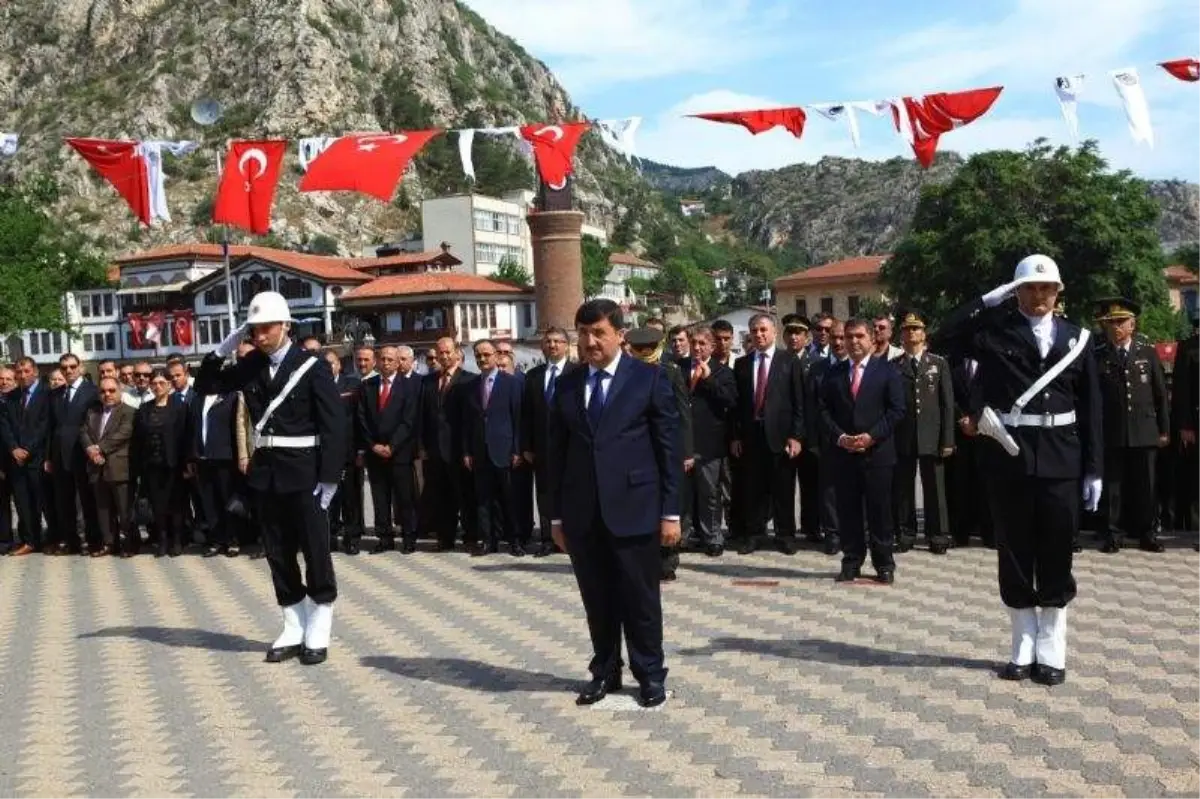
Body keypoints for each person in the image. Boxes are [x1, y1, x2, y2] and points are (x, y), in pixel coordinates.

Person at [935, 254, 1102, 687]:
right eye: (1029, 288)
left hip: (1061, 458)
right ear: (1017, 292)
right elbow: (944, 335)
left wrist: (1095, 469)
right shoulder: (995, 332)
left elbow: (1093, 409)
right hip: (1009, 457)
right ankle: (1022, 642)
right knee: (1013, 550)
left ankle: (1052, 646)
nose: (1038, 296)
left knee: (1056, 551)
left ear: (1058, 292)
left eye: (1046, 288)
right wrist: (990, 299)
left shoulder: (1079, 338)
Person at [195, 291, 346, 666]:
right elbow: (206, 386)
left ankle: (320, 622)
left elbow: (334, 425)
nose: (259, 336)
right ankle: (293, 623)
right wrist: (222, 348)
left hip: (306, 471)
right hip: (267, 473)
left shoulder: (312, 366)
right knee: (277, 552)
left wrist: (330, 477)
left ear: (285, 326)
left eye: (265, 329)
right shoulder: (251, 366)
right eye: (254, 330)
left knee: (314, 549)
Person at [547, 299, 681, 709]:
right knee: (598, 601)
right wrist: (555, 516)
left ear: (620, 335)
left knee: (640, 600)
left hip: (635, 508)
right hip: (583, 514)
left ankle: (650, 675)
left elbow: (668, 450)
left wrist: (670, 513)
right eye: (583, 334)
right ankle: (604, 670)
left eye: (598, 333)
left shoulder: (648, 379)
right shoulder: (567, 385)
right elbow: (556, 453)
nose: (590, 342)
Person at [818, 318, 905, 584]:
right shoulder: (833, 373)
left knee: (880, 513)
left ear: (871, 338)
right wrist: (840, 437)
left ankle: (884, 563)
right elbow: (822, 410)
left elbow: (897, 410)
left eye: (859, 336)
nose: (853, 342)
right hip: (844, 454)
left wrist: (872, 436)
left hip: (877, 454)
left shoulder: (888, 371)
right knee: (848, 511)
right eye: (848, 337)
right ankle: (851, 561)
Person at [1092, 298, 1169, 553]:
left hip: (1145, 430)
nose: (1115, 327)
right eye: (1111, 323)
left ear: (1132, 324)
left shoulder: (1146, 353)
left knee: (1147, 486)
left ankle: (1148, 533)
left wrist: (1164, 429)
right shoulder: (1099, 355)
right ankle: (1113, 534)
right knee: (1113, 487)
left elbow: (1160, 394)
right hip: (1113, 432)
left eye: (1121, 322)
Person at [729, 314, 804, 555]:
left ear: (773, 332)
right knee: (753, 488)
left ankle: (785, 535)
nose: (759, 334)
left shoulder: (789, 360)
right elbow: (736, 406)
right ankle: (754, 533)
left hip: (780, 436)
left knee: (783, 488)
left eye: (763, 330)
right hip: (751, 436)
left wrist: (796, 436)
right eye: (754, 330)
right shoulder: (741, 364)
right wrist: (736, 436)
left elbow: (798, 402)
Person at [624, 326, 693, 582]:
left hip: (667, 449)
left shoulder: (669, 371)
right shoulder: (627, 374)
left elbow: (683, 414)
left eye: (649, 349)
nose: (645, 353)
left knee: (669, 503)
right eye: (639, 349)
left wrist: (686, 451)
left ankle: (668, 561)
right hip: (639, 452)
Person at [891, 311, 955, 554]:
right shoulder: (894, 365)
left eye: (916, 329)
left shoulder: (938, 364)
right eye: (907, 329)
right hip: (903, 436)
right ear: (901, 335)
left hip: (932, 436)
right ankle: (905, 533)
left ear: (924, 334)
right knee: (904, 488)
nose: (912, 333)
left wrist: (948, 439)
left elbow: (947, 404)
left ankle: (938, 535)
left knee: (935, 489)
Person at [463, 339, 524, 556]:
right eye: (478, 355)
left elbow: (518, 418)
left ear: (497, 356)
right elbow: (467, 423)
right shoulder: (471, 387)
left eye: (486, 355)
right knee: (483, 500)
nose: (482, 359)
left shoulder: (511, 383)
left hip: (504, 449)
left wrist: (517, 449)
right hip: (480, 451)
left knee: (509, 498)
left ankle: (515, 541)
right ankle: (489, 541)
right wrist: (467, 451)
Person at [520, 327, 576, 557]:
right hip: (541, 447)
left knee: (569, 492)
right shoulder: (533, 376)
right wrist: (526, 446)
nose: (552, 345)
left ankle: (569, 538)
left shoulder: (577, 373)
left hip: (570, 447)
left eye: (557, 341)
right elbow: (526, 414)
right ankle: (546, 539)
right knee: (544, 494)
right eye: (548, 341)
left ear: (566, 345)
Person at [681, 325, 737, 556]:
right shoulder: (679, 368)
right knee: (684, 493)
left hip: (709, 443)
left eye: (702, 344)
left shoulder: (722, 372)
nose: (696, 348)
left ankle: (712, 536)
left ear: (712, 347)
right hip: (683, 442)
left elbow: (730, 401)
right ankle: (682, 535)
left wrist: (709, 380)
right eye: (693, 343)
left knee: (709, 493)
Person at [135, 370, 191, 556]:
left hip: (173, 465)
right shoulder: (144, 409)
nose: (157, 386)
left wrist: (187, 463)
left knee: (176, 504)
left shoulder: (179, 407)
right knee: (157, 505)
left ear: (168, 385)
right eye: (154, 383)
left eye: (161, 383)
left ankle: (177, 540)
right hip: (152, 465)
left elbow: (185, 436)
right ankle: (162, 540)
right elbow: (138, 438)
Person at [80, 378, 137, 557]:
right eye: (104, 391)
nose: (108, 394)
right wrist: (89, 448)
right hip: (96, 468)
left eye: (112, 390)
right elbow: (84, 431)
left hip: (119, 467)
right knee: (103, 508)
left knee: (124, 509)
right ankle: (109, 543)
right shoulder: (93, 411)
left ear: (120, 391)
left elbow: (123, 433)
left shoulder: (129, 412)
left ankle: (129, 544)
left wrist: (99, 448)